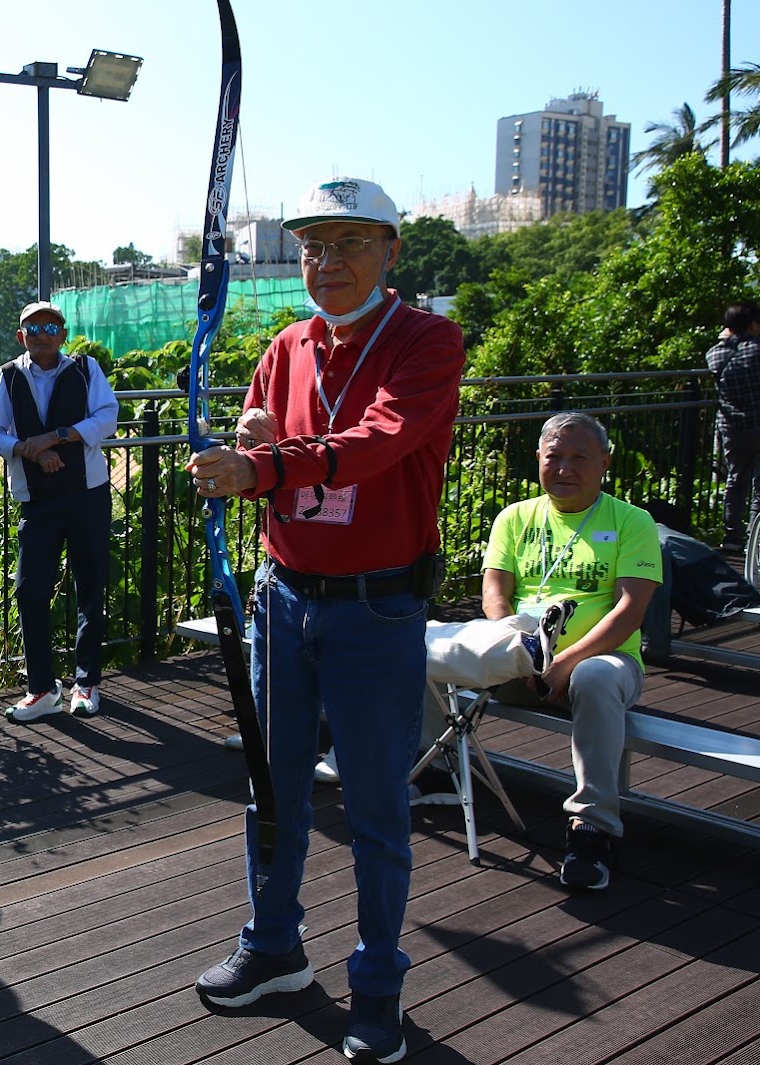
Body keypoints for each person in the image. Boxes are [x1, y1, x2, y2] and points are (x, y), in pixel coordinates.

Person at [185, 176, 465, 1063]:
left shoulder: (428, 340)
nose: (326, 261)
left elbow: (380, 439)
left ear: (391, 250)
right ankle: (274, 946)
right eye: (312, 245)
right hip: (284, 595)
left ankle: (376, 983)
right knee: (275, 789)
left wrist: (262, 470)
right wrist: (253, 438)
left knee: (379, 803)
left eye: (348, 242)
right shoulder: (286, 344)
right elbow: (268, 438)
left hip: (379, 606)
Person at [423, 413, 661, 890]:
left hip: (602, 662)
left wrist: (562, 664)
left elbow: (629, 612)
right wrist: (514, 650)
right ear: (538, 459)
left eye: (580, 458)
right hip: (520, 654)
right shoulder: (515, 517)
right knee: (422, 645)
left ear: (604, 464)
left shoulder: (632, 521)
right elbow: (495, 593)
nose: (565, 468)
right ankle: (436, 773)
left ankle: (593, 827)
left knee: (593, 678)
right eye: (554, 457)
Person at [0, 301, 120, 722]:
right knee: (30, 590)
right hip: (37, 499)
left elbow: (108, 417)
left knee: (91, 586)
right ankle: (42, 688)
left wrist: (55, 439)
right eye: (32, 328)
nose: (42, 334)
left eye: (50, 327)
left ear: (63, 333)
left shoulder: (84, 368)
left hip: (87, 493)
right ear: (21, 337)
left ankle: (86, 681)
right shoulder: (8, 375)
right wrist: (28, 450)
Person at [704, 301, 760, 550]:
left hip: (731, 428)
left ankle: (732, 536)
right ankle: (756, 537)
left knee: (736, 479)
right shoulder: (759, 350)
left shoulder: (714, 354)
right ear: (752, 324)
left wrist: (724, 340)